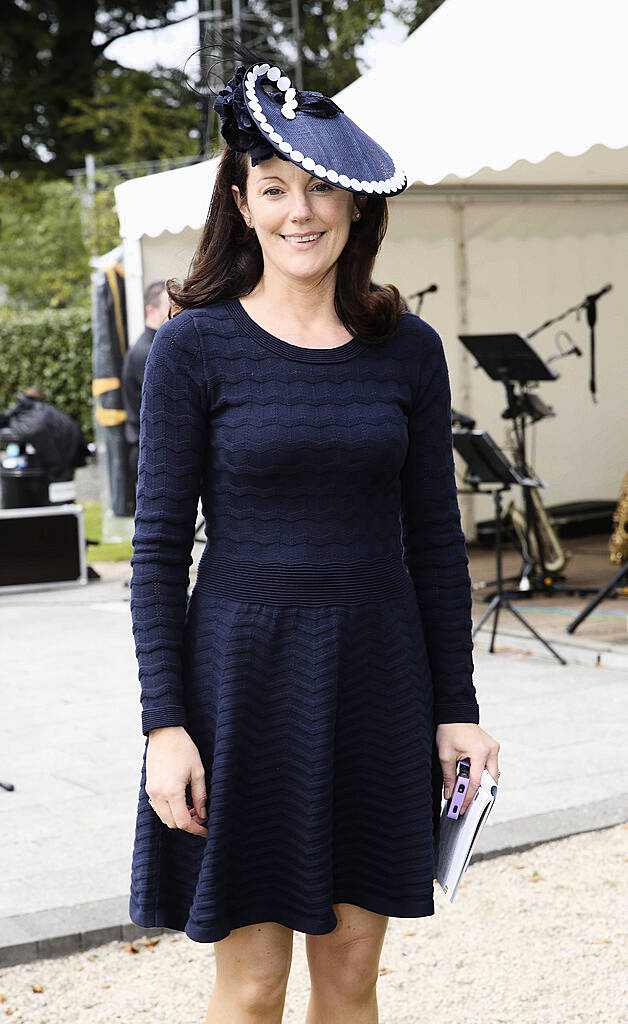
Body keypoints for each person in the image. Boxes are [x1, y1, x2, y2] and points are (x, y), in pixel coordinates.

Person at [128, 43, 500, 1024]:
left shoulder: (406, 348)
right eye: (273, 187)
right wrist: (165, 725)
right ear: (241, 203)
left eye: (319, 191)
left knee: (349, 979)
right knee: (249, 987)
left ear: (356, 204)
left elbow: (434, 540)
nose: (300, 212)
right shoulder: (192, 346)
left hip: (379, 682)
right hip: (239, 688)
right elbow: (159, 549)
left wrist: (455, 708)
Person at [121, 280, 170, 484]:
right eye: (171, 307)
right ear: (151, 310)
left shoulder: (154, 346)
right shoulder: (147, 352)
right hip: (149, 453)